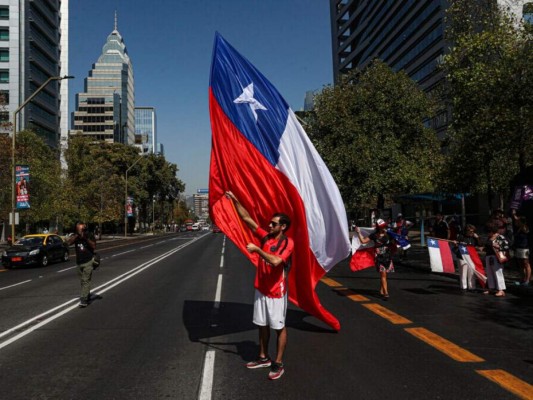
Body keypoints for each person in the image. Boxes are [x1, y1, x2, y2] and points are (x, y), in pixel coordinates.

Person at [225, 191, 294, 380]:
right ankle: (263, 357)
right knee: (262, 325)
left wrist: (257, 250)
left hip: (276, 293)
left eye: (274, 224)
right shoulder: (266, 237)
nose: (269, 225)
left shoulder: (288, 242)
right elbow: (247, 219)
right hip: (261, 289)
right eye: (270, 223)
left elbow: (275, 261)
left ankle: (278, 363)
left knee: (279, 327)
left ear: (283, 227)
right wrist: (235, 199)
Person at [355, 219, 396, 299]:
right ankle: (386, 293)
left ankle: (382, 290)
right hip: (379, 258)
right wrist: (358, 232)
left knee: (384, 275)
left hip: (387, 257)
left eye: (385, 226)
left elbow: (394, 243)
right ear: (379, 228)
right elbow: (363, 241)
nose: (384, 228)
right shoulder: (374, 235)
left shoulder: (389, 235)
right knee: (383, 274)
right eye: (382, 227)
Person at [67, 222, 96, 307]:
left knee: (85, 280)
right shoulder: (75, 236)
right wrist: (77, 235)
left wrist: (85, 238)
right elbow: (69, 243)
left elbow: (94, 246)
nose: (80, 230)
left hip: (88, 261)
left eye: (82, 228)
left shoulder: (89, 235)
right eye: (79, 228)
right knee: (83, 281)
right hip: (79, 262)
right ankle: (87, 295)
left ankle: (84, 300)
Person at [483, 224, 509, 297]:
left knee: (498, 273)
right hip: (489, 256)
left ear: (492, 231)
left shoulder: (500, 237)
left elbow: (506, 246)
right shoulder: (490, 237)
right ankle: (491, 287)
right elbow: (487, 245)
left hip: (497, 257)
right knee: (490, 273)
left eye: (489, 232)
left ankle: (501, 290)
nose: (488, 233)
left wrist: (497, 246)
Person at [454, 224, 481, 292]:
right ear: (467, 231)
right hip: (462, 256)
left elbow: (480, 244)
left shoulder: (473, 238)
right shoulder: (461, 237)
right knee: (463, 272)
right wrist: (456, 244)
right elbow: (456, 246)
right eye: (471, 231)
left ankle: (472, 287)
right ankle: (464, 287)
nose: (472, 233)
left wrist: (477, 238)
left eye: (473, 231)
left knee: (471, 271)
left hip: (471, 256)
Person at [512, 211, 530, 286]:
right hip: (518, 247)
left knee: (526, 263)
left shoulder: (524, 228)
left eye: (518, 221)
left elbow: (526, 230)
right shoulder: (519, 228)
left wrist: (516, 216)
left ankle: (527, 280)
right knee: (520, 264)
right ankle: (522, 279)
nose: (517, 222)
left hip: (524, 248)